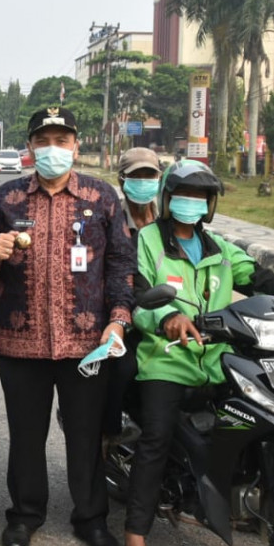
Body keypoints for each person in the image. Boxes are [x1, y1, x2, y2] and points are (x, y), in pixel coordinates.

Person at [121, 160, 274, 546]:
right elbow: (140, 292)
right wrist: (168, 319)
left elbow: (261, 278)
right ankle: (136, 534)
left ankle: (246, 498)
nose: (191, 203)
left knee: (255, 417)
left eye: (201, 197)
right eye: (183, 195)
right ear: (166, 200)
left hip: (217, 359)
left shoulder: (217, 246)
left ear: (211, 205)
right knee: (156, 439)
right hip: (166, 359)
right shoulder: (146, 241)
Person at [0, 107, 135, 546]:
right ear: (30, 147)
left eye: (62, 140)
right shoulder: (8, 198)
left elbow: (122, 262)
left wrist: (118, 318)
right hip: (22, 341)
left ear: (76, 146)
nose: (53, 149)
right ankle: (25, 515)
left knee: (85, 435)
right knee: (26, 433)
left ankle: (91, 519)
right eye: (44, 140)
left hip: (86, 344)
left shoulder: (101, 197)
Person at [102, 147, 164, 445]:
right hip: (126, 309)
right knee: (122, 366)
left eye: (149, 175)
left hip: (167, 308)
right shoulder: (111, 217)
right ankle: (108, 435)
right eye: (136, 176)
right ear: (123, 180)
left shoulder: (168, 219)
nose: (143, 182)